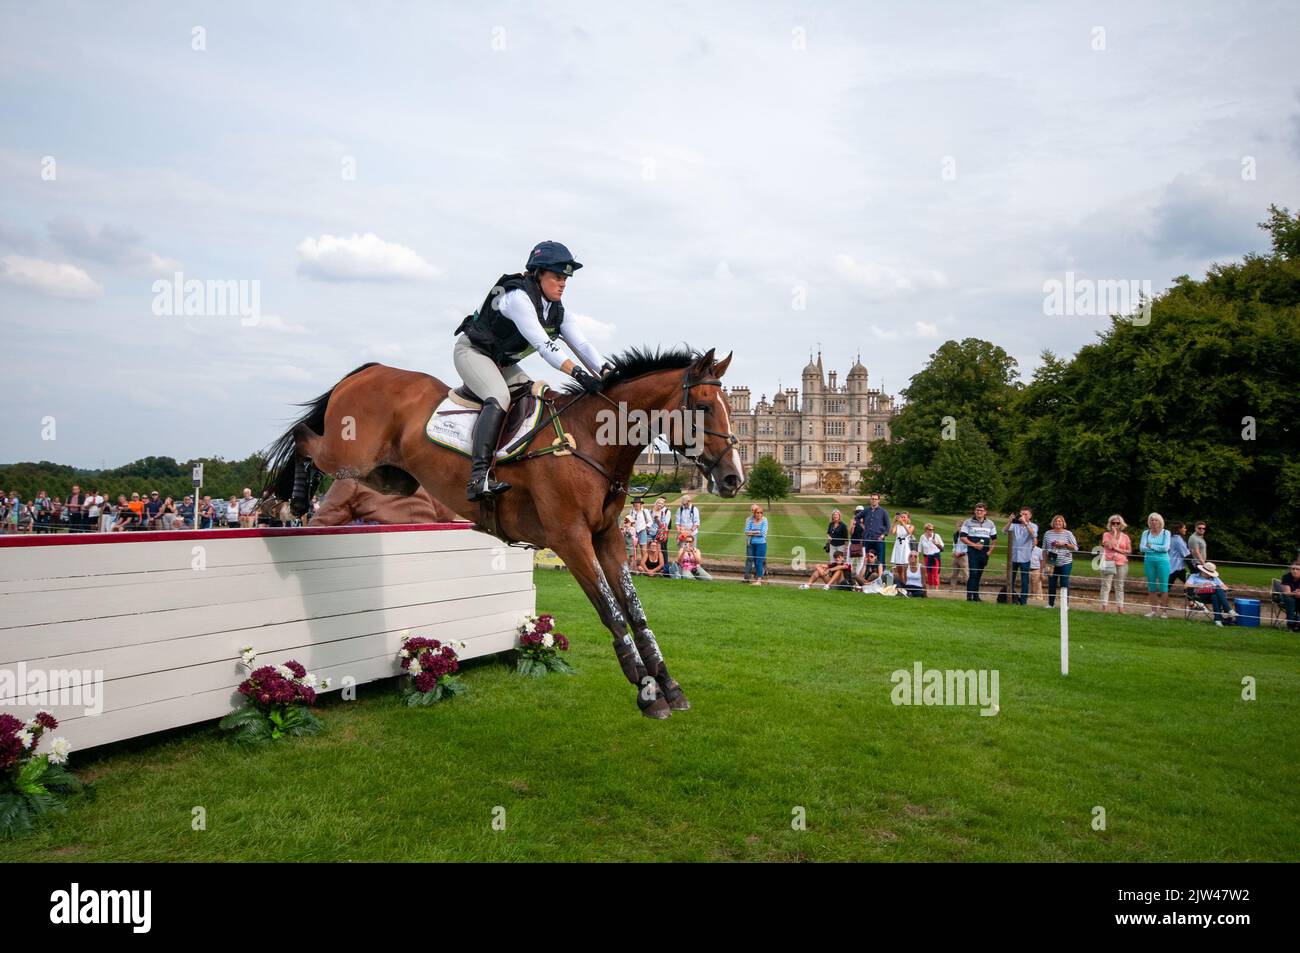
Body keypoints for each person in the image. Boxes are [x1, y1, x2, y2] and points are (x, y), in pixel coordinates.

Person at [453, 240, 611, 501]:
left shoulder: (557, 311)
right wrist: (579, 374)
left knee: (534, 397)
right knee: (500, 398)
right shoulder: (518, 298)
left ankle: (512, 466)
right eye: (558, 277)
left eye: (566, 278)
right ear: (538, 274)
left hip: (501, 363)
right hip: (472, 353)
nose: (563, 283)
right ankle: (478, 477)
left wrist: (606, 371)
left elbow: (582, 345)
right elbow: (543, 345)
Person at [958, 502, 997, 602]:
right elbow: (962, 537)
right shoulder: (968, 522)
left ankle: (976, 596)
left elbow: (994, 540)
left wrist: (990, 551)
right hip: (973, 552)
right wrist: (974, 545)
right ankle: (969, 596)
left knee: (979, 574)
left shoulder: (990, 523)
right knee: (973, 573)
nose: (979, 512)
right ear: (975, 511)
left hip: (984, 553)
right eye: (977, 510)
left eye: (981, 510)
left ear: (985, 512)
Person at [1140, 512, 1172, 619]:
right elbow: (1142, 548)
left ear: (1160, 521)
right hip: (1149, 561)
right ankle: (1153, 610)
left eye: (1156, 520)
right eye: (1152, 520)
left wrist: (1151, 546)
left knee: (1164, 587)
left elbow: (1166, 548)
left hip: (1163, 561)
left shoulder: (1166, 533)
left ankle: (1164, 612)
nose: (1153, 522)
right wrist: (1157, 547)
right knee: (1151, 586)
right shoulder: (1146, 533)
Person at [1003, 506, 1038, 606]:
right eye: (1021, 514)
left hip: (1025, 557)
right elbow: (1004, 531)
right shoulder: (1014, 525)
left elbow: (1034, 535)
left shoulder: (1033, 526)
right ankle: (1011, 598)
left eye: (1025, 514)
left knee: (1024, 581)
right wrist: (1010, 521)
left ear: (1030, 516)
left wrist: (1026, 524)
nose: (1023, 516)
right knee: (1011, 579)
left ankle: (1023, 601)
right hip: (1013, 557)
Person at [1042, 515, 1078, 608]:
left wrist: (1065, 544)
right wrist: (1044, 563)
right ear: (1053, 523)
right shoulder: (1047, 533)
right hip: (1051, 561)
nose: (1058, 523)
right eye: (1056, 521)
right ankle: (1050, 604)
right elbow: (1044, 549)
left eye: (1060, 521)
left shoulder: (1068, 534)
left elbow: (1076, 548)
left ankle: (1065, 605)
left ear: (1063, 523)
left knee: (1064, 583)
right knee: (1051, 583)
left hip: (1065, 562)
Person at [1098, 514, 1133, 614]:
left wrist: (1117, 549)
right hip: (1108, 561)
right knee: (1106, 585)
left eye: (1117, 523)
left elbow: (1129, 551)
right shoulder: (1106, 535)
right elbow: (1109, 545)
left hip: (1121, 563)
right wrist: (1113, 534)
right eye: (1113, 523)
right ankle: (1104, 607)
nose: (1115, 525)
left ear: (1121, 524)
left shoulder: (1125, 537)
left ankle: (1120, 608)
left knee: (1119, 585)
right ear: (1110, 524)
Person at [1187, 562, 1236, 626]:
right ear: (1203, 571)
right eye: (1208, 574)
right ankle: (1228, 609)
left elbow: (1224, 586)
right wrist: (1201, 584)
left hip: (1213, 596)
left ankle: (1218, 620)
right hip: (1200, 596)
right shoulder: (1194, 576)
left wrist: (1226, 589)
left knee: (1215, 596)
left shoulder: (1214, 578)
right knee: (1216, 589)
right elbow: (1186, 586)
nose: (1210, 575)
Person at [862, 494, 890, 565]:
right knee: (868, 559)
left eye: (875, 499)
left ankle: (881, 575)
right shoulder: (866, 510)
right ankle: (868, 574)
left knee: (880, 560)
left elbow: (888, 526)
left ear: (878, 500)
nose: (874, 500)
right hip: (868, 539)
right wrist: (863, 526)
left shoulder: (883, 512)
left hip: (879, 539)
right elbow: (856, 518)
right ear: (870, 500)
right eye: (872, 499)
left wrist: (883, 535)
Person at [744, 505, 768, 586]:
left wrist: (752, 532)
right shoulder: (750, 520)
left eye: (760, 513)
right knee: (754, 561)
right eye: (757, 513)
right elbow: (746, 532)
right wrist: (756, 532)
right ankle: (756, 579)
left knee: (759, 562)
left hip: (761, 544)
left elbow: (762, 533)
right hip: (752, 543)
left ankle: (759, 580)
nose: (758, 514)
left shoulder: (764, 521)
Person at [917, 523, 944, 588]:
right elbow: (919, 549)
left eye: (932, 529)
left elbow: (942, 546)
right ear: (926, 530)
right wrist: (917, 557)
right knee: (928, 573)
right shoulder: (922, 537)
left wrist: (936, 543)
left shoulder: (936, 536)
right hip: (926, 557)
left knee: (935, 573)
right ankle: (930, 587)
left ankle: (936, 588)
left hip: (935, 557)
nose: (931, 531)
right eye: (929, 529)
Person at [889, 511, 914, 579]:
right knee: (899, 568)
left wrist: (902, 522)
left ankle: (907, 583)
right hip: (898, 546)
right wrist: (894, 522)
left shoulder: (911, 526)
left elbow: (909, 532)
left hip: (905, 547)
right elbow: (891, 532)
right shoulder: (897, 526)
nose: (902, 518)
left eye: (904, 517)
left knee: (906, 567)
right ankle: (901, 583)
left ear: (908, 518)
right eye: (901, 517)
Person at [1279, 558, 1300, 632]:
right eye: (1293, 569)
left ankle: (1298, 624)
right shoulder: (1286, 577)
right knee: (1290, 601)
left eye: (1297, 569)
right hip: (1286, 598)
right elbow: (1287, 593)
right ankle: (1290, 625)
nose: (1294, 571)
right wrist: (1295, 593)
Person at [1168, 522, 1192, 587]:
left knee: (1189, 583)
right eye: (1184, 528)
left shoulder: (1171, 537)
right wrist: (1192, 568)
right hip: (1175, 567)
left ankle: (1190, 594)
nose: (1185, 529)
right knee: (1190, 584)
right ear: (1179, 529)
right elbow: (1186, 554)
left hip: (1175, 566)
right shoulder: (1177, 539)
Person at [848, 505, 867, 574]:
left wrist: (861, 523)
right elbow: (850, 533)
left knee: (861, 561)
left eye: (861, 512)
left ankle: (858, 577)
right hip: (853, 542)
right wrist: (853, 526)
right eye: (858, 512)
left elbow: (866, 532)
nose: (859, 513)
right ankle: (848, 577)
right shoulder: (853, 520)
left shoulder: (866, 521)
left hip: (862, 543)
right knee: (849, 561)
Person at [951, 521, 968, 589]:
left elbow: (968, 546)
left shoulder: (967, 535)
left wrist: (961, 553)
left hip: (964, 556)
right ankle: (952, 587)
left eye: (961, 526)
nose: (960, 528)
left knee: (965, 574)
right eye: (959, 526)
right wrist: (954, 551)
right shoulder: (956, 534)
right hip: (956, 556)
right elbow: (954, 545)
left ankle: (969, 588)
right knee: (954, 573)